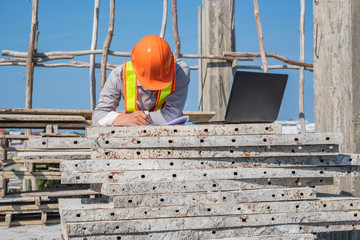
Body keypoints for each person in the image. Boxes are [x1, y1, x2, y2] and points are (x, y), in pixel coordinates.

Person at [92, 35, 190, 126]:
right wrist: (120, 118)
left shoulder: (180, 71)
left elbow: (172, 115)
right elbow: (98, 117)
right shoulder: (119, 75)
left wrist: (137, 119)